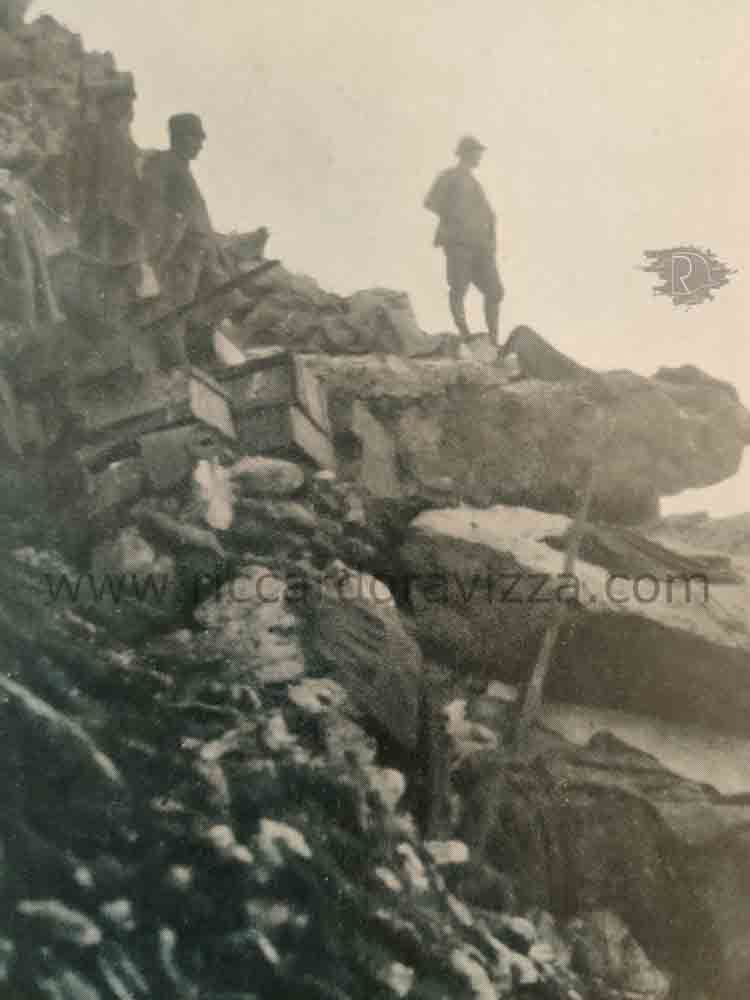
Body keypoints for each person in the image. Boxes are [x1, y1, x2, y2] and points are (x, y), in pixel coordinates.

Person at [141, 113, 250, 365]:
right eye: (195, 137)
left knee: (215, 306)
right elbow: (153, 208)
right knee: (177, 308)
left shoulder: (182, 169)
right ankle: (175, 363)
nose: (200, 144)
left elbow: (199, 219)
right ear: (179, 137)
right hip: (180, 255)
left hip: (201, 255)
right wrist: (166, 244)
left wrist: (219, 255)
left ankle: (199, 359)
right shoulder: (164, 165)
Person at [424, 135, 505, 349]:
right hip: (459, 243)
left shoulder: (474, 183)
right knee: (459, 288)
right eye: (477, 152)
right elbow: (431, 202)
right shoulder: (449, 177)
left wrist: (491, 239)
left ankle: (494, 340)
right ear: (466, 153)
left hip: (481, 246)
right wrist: (456, 219)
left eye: (480, 152)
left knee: (495, 291)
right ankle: (465, 335)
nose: (480, 156)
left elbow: (488, 215)